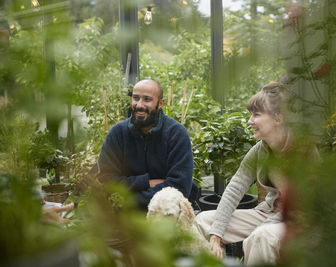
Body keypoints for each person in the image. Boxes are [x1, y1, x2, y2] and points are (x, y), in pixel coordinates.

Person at [194, 81, 302, 265]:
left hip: (299, 220)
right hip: (269, 213)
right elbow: (235, 188)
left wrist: (262, 227)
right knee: (203, 221)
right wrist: (216, 235)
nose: (250, 121)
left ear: (278, 119)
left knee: (261, 236)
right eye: (250, 115)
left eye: (256, 115)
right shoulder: (260, 150)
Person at [97, 79, 198, 209]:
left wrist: (130, 200)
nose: (139, 105)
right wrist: (146, 182)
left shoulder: (176, 134)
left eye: (147, 99)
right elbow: (107, 180)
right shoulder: (118, 133)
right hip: (126, 217)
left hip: (167, 214)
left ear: (160, 103)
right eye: (135, 98)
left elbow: (179, 187)